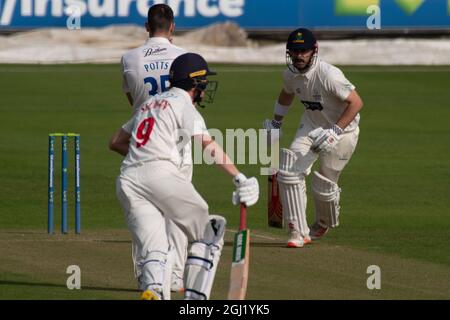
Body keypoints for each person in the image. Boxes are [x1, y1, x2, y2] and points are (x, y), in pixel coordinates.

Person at [109, 52, 260, 300]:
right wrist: (238, 177)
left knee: (155, 250)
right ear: (195, 83)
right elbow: (208, 144)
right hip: (161, 174)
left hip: (128, 179)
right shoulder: (183, 104)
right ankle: (195, 300)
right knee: (210, 230)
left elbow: (115, 142)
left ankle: (155, 291)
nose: (206, 88)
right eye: (204, 83)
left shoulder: (150, 103)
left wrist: (143, 154)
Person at [263, 28, 363, 248]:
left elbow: (356, 103)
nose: (299, 55)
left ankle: (322, 222)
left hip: (343, 131)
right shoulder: (290, 74)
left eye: (303, 51)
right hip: (311, 125)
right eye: (294, 51)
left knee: (324, 183)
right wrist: (276, 123)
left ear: (313, 51)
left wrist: (335, 131)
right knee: (289, 171)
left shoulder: (329, 74)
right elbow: (287, 93)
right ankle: (298, 232)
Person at [118, 4, 188, 292]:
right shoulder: (185, 57)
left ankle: (146, 276)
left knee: (143, 212)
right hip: (177, 143)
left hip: (143, 142)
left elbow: (132, 100)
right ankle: (175, 277)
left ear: (147, 27)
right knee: (178, 212)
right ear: (172, 27)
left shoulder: (129, 57)